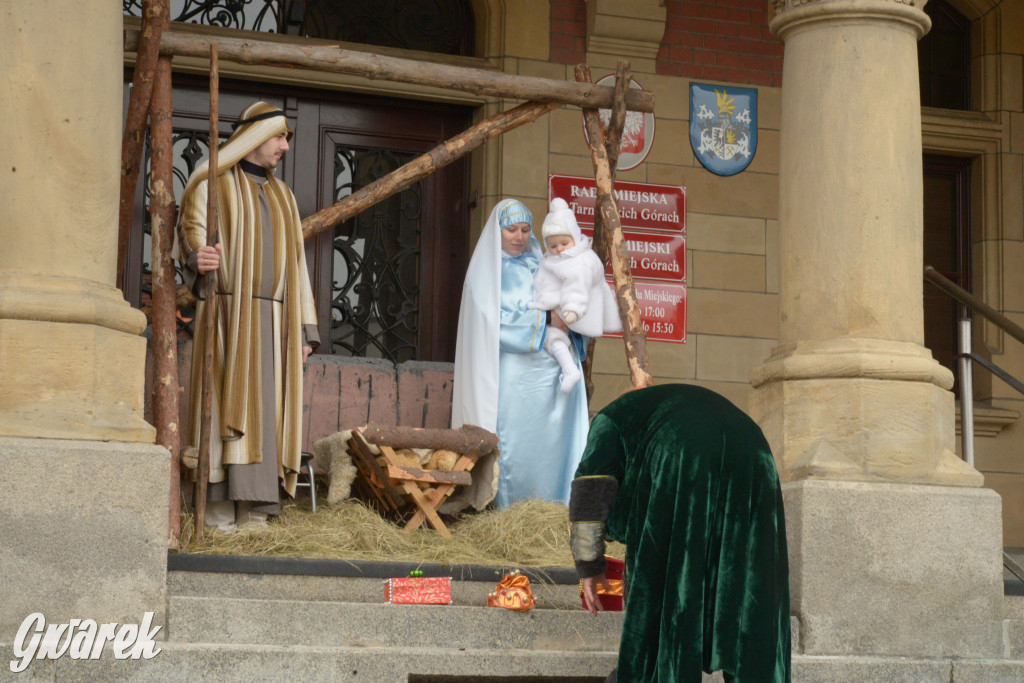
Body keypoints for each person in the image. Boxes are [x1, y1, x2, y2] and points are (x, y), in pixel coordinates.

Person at [570, 384, 791, 683]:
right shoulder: (653, 408)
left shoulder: (608, 421)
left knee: (663, 580)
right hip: (755, 449)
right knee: (752, 583)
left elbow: (590, 492)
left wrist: (589, 566)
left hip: (684, 450)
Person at [175, 101, 319, 532]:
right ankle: (218, 513)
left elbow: (297, 265)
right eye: (279, 137)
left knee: (268, 416)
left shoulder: (284, 196)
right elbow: (191, 233)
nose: (285, 147)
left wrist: (305, 330)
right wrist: (196, 256)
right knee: (222, 409)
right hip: (225, 314)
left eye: (287, 138)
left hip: (276, 325)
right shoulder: (211, 183)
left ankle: (256, 512)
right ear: (255, 137)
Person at [451, 198, 590, 510]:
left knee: (554, 446)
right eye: (511, 229)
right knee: (516, 443)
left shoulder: (542, 262)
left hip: (554, 377)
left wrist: (571, 316)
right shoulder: (485, 274)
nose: (519, 236)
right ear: (497, 232)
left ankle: (557, 507)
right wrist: (545, 322)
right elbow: (490, 322)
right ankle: (510, 510)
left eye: (525, 229)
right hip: (514, 375)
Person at [529, 197, 621, 394]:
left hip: (576, 312)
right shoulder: (551, 260)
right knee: (550, 337)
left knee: (553, 336)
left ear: (575, 237)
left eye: (564, 243)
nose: (559, 249)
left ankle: (570, 370)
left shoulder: (581, 261)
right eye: (553, 246)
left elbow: (577, 288)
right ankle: (569, 369)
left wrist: (572, 309)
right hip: (557, 309)